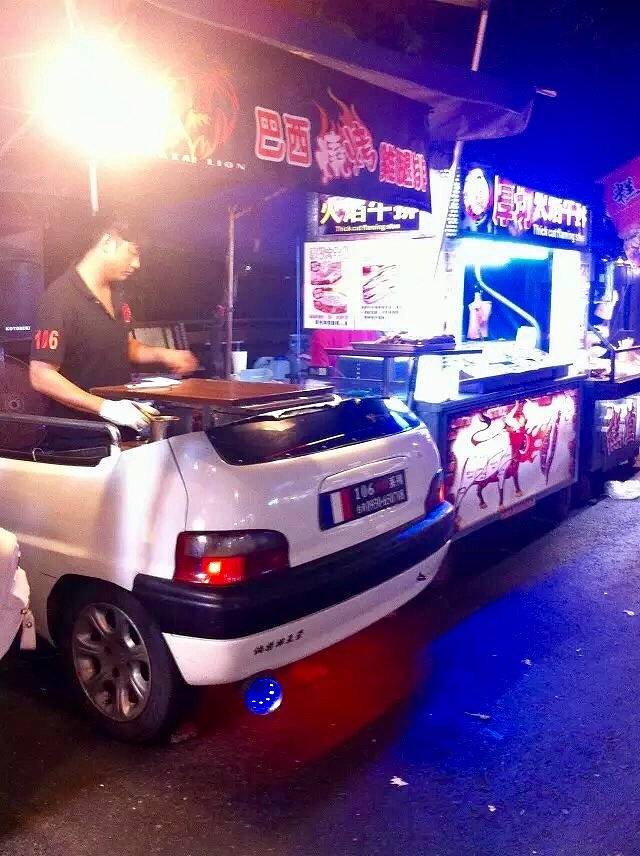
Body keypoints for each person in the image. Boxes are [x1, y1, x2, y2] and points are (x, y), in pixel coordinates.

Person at [29, 211, 198, 447]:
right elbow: (41, 375)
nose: (137, 264)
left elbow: (122, 345)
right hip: (78, 440)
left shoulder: (117, 294)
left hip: (122, 431)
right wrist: (106, 407)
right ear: (107, 243)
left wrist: (164, 354)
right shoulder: (60, 298)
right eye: (133, 252)